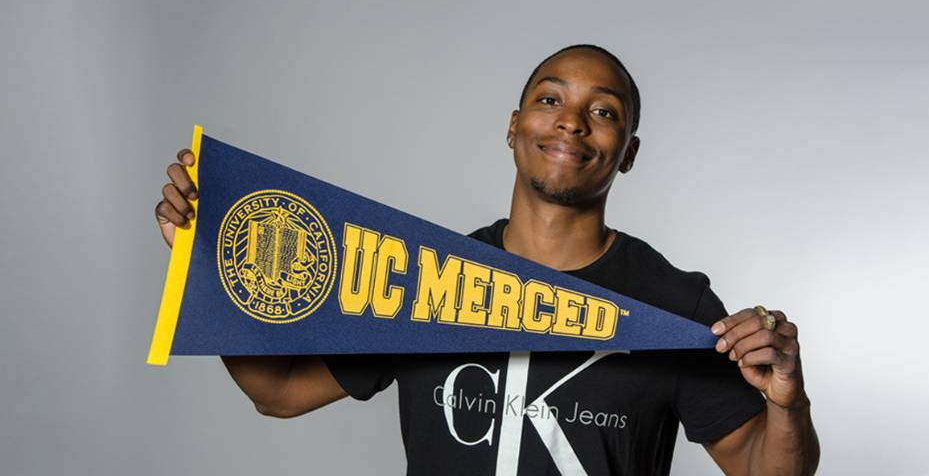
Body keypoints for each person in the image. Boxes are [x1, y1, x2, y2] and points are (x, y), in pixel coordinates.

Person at [154, 44, 820, 475]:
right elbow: (279, 394)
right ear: (513, 126)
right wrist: (210, 260)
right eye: (550, 99)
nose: (571, 122)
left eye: (604, 111)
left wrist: (788, 404)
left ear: (629, 151)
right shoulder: (415, 280)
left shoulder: (673, 304)